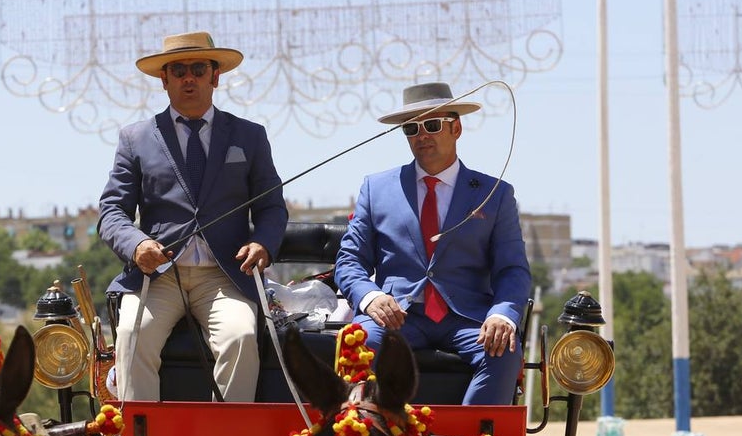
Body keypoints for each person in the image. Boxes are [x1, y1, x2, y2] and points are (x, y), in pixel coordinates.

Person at [97, 31, 288, 402]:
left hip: (223, 276)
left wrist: (263, 242)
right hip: (158, 277)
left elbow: (272, 206)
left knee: (242, 336)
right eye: (178, 70)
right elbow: (112, 211)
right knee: (132, 335)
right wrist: (137, 246)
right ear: (164, 80)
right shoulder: (135, 138)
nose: (189, 78)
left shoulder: (250, 136)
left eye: (198, 69)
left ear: (214, 77)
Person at [334, 82, 531, 405]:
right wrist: (370, 297)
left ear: (456, 128)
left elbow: (512, 269)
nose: (422, 135)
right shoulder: (376, 188)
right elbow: (349, 261)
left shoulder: (495, 194)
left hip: (467, 319)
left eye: (432, 125)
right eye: (411, 128)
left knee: (504, 350)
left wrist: (503, 315)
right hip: (395, 315)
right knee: (357, 342)